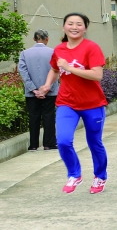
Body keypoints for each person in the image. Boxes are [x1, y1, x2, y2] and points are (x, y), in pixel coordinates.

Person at [38, 13, 109, 194]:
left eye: (79, 24)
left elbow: (97, 75)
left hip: (92, 104)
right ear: (64, 28)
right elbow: (55, 69)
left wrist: (70, 68)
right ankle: (74, 174)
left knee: (94, 143)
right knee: (62, 141)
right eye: (70, 24)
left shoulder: (91, 48)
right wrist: (47, 85)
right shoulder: (59, 49)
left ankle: (100, 177)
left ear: (85, 28)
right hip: (67, 103)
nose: (74, 27)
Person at [18, 29, 59, 151]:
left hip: (31, 93)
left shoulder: (25, 53)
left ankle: (33, 145)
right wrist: (46, 88)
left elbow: (23, 72)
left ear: (34, 39)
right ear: (47, 39)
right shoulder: (53, 52)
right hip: (50, 91)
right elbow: (56, 71)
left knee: (33, 117)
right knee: (49, 116)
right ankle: (49, 143)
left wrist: (33, 89)